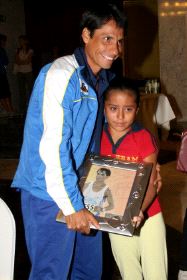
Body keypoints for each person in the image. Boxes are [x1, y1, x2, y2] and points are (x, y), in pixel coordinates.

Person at [11, 4, 127, 280]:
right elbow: (53, 148)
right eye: (107, 38)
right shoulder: (62, 75)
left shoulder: (98, 80)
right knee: (52, 273)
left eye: (119, 40)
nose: (115, 48)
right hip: (49, 193)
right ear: (86, 35)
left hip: (83, 190)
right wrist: (71, 205)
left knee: (88, 271)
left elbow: (95, 143)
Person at [100, 77, 168, 280]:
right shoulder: (97, 137)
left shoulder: (143, 138)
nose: (120, 116)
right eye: (113, 108)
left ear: (137, 110)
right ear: (104, 108)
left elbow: (151, 182)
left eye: (128, 109)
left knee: (156, 271)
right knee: (128, 271)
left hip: (149, 214)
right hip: (115, 216)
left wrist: (140, 209)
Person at [14, 35, 34, 114]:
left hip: (28, 72)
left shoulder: (30, 50)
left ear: (25, 41)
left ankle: (32, 108)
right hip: (20, 72)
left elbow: (28, 61)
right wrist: (23, 62)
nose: (20, 42)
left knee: (31, 90)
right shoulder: (17, 50)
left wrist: (21, 62)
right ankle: (23, 110)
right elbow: (16, 61)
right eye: (19, 41)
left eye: (21, 40)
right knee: (21, 91)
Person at [0, 33, 14, 114]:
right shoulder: (2, 50)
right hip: (2, 74)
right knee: (5, 93)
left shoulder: (2, 50)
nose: (5, 43)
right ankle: (9, 110)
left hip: (2, 74)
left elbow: (6, 62)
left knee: (3, 94)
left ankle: (9, 110)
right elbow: (6, 62)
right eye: (3, 41)